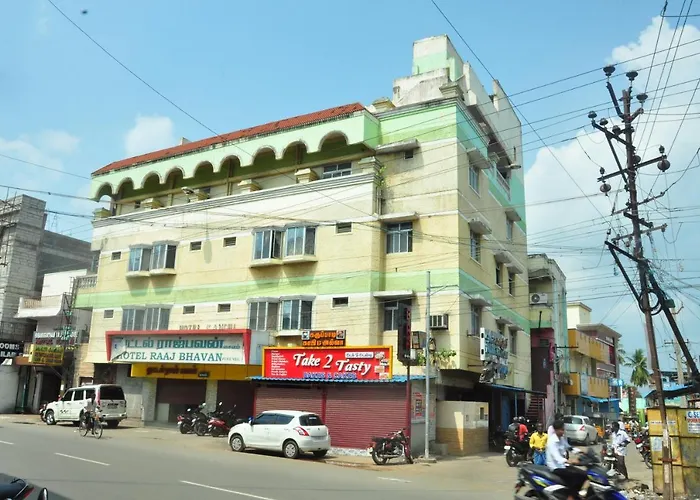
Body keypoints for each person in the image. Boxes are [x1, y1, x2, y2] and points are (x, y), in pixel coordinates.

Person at [546, 419, 588, 500]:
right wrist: (569, 461)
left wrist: (581, 451)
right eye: (561, 430)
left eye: (563, 429)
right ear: (556, 430)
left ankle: (579, 495)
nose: (563, 431)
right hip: (555, 467)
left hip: (563, 465)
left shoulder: (561, 439)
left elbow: (569, 447)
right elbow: (557, 457)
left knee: (583, 474)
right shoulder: (552, 442)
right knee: (574, 477)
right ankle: (571, 497)